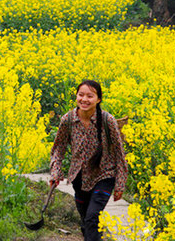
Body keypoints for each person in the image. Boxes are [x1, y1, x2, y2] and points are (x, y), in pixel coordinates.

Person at [49, 79, 128, 241]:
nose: (84, 99)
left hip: (104, 176)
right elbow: (58, 149)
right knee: (87, 222)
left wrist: (120, 183)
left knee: (92, 218)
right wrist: (55, 172)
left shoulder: (108, 120)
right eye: (81, 95)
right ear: (76, 96)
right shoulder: (68, 119)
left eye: (90, 96)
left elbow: (120, 153)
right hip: (79, 177)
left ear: (98, 99)